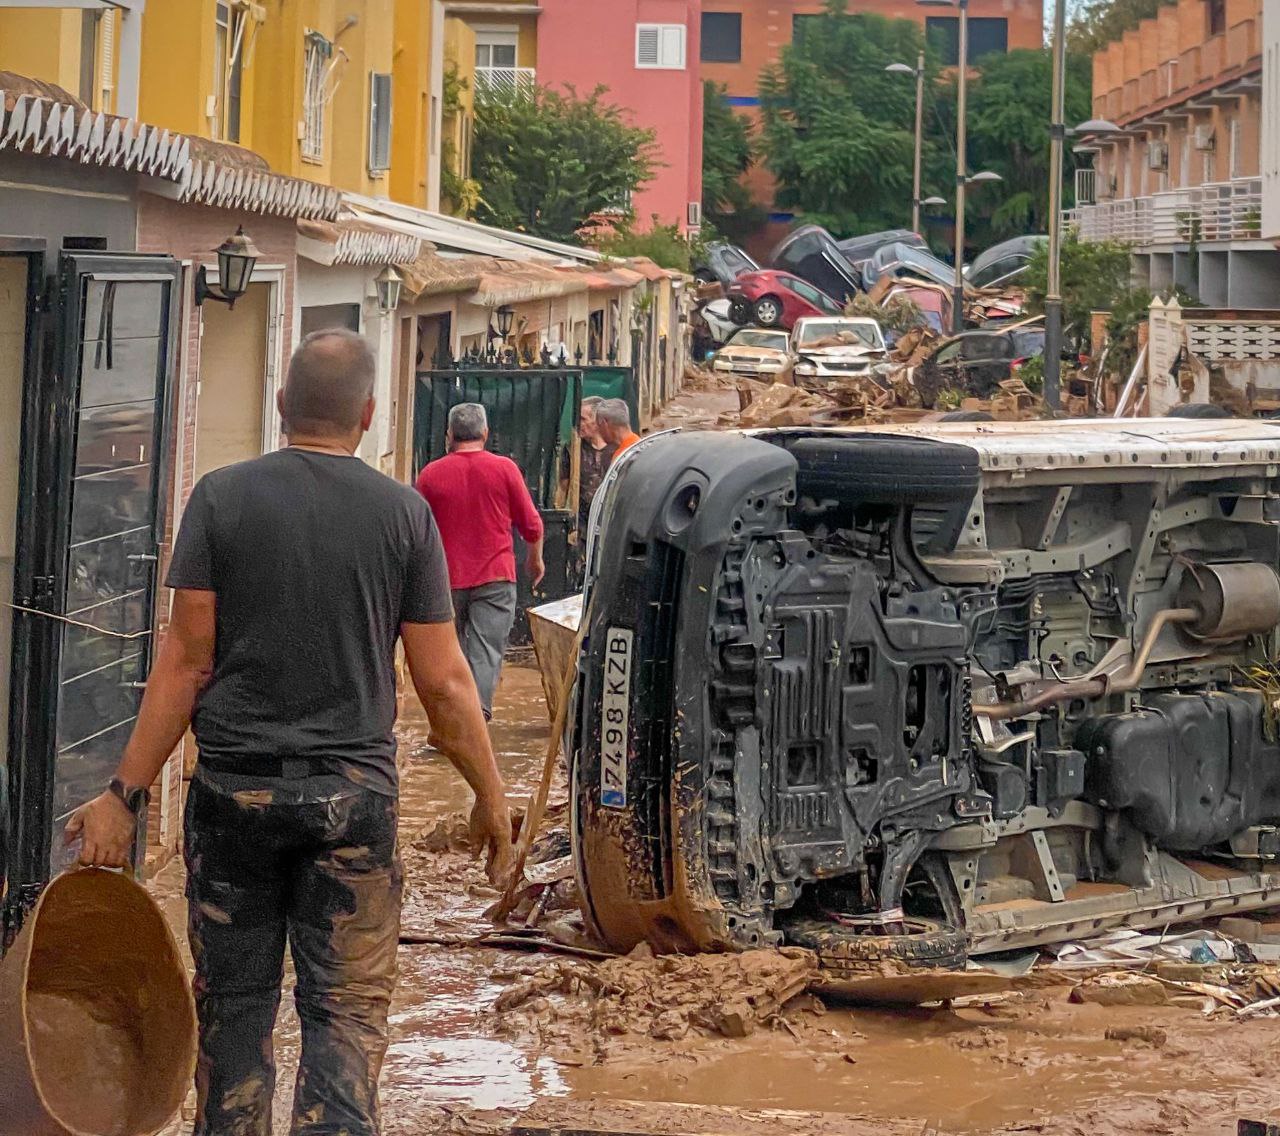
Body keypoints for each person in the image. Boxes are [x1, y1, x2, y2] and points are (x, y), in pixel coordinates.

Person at [63, 329, 515, 1136]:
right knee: (343, 1018)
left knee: (233, 1014)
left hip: (234, 798)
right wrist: (491, 797)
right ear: (371, 414)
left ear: (281, 405)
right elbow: (444, 683)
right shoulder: (402, 515)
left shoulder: (221, 498)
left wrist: (121, 794)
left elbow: (182, 665)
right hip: (353, 803)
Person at [415, 404, 544, 720]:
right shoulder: (504, 469)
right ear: (485, 433)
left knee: (448, 655)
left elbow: (417, 532)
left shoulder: (430, 474)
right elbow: (532, 525)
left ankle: (449, 721)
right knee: (485, 652)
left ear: (449, 435)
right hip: (495, 578)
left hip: (444, 581)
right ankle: (477, 716)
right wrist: (535, 561)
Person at [559, 395, 616, 535]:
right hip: (582, 527)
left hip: (611, 523)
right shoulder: (572, 450)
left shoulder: (618, 449)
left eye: (583, 419)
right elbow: (562, 488)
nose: (578, 424)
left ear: (598, 421)